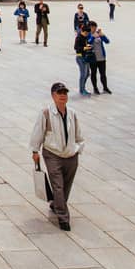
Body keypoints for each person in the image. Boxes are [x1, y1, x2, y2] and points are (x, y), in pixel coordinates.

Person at [28, 82, 85, 232]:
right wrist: (35, 151)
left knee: (66, 185)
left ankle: (56, 204)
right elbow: (38, 132)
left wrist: (78, 148)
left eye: (65, 93)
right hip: (53, 154)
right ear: (53, 96)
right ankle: (63, 217)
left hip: (71, 155)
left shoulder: (72, 113)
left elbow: (79, 135)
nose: (63, 96)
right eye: (59, 93)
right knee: (58, 186)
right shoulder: (46, 113)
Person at [87, 24, 111, 94]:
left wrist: (102, 35)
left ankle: (105, 87)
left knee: (103, 74)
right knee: (93, 74)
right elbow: (88, 43)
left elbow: (107, 41)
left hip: (101, 58)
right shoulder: (87, 35)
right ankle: (95, 88)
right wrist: (92, 37)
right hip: (93, 59)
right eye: (92, 27)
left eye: (95, 27)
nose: (94, 29)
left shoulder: (98, 34)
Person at [73, 25, 92, 96]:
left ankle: (83, 87)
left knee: (87, 74)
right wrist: (85, 48)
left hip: (85, 57)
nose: (87, 34)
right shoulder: (79, 38)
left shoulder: (85, 37)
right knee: (83, 74)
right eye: (86, 33)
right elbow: (76, 48)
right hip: (80, 58)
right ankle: (82, 89)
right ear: (82, 31)